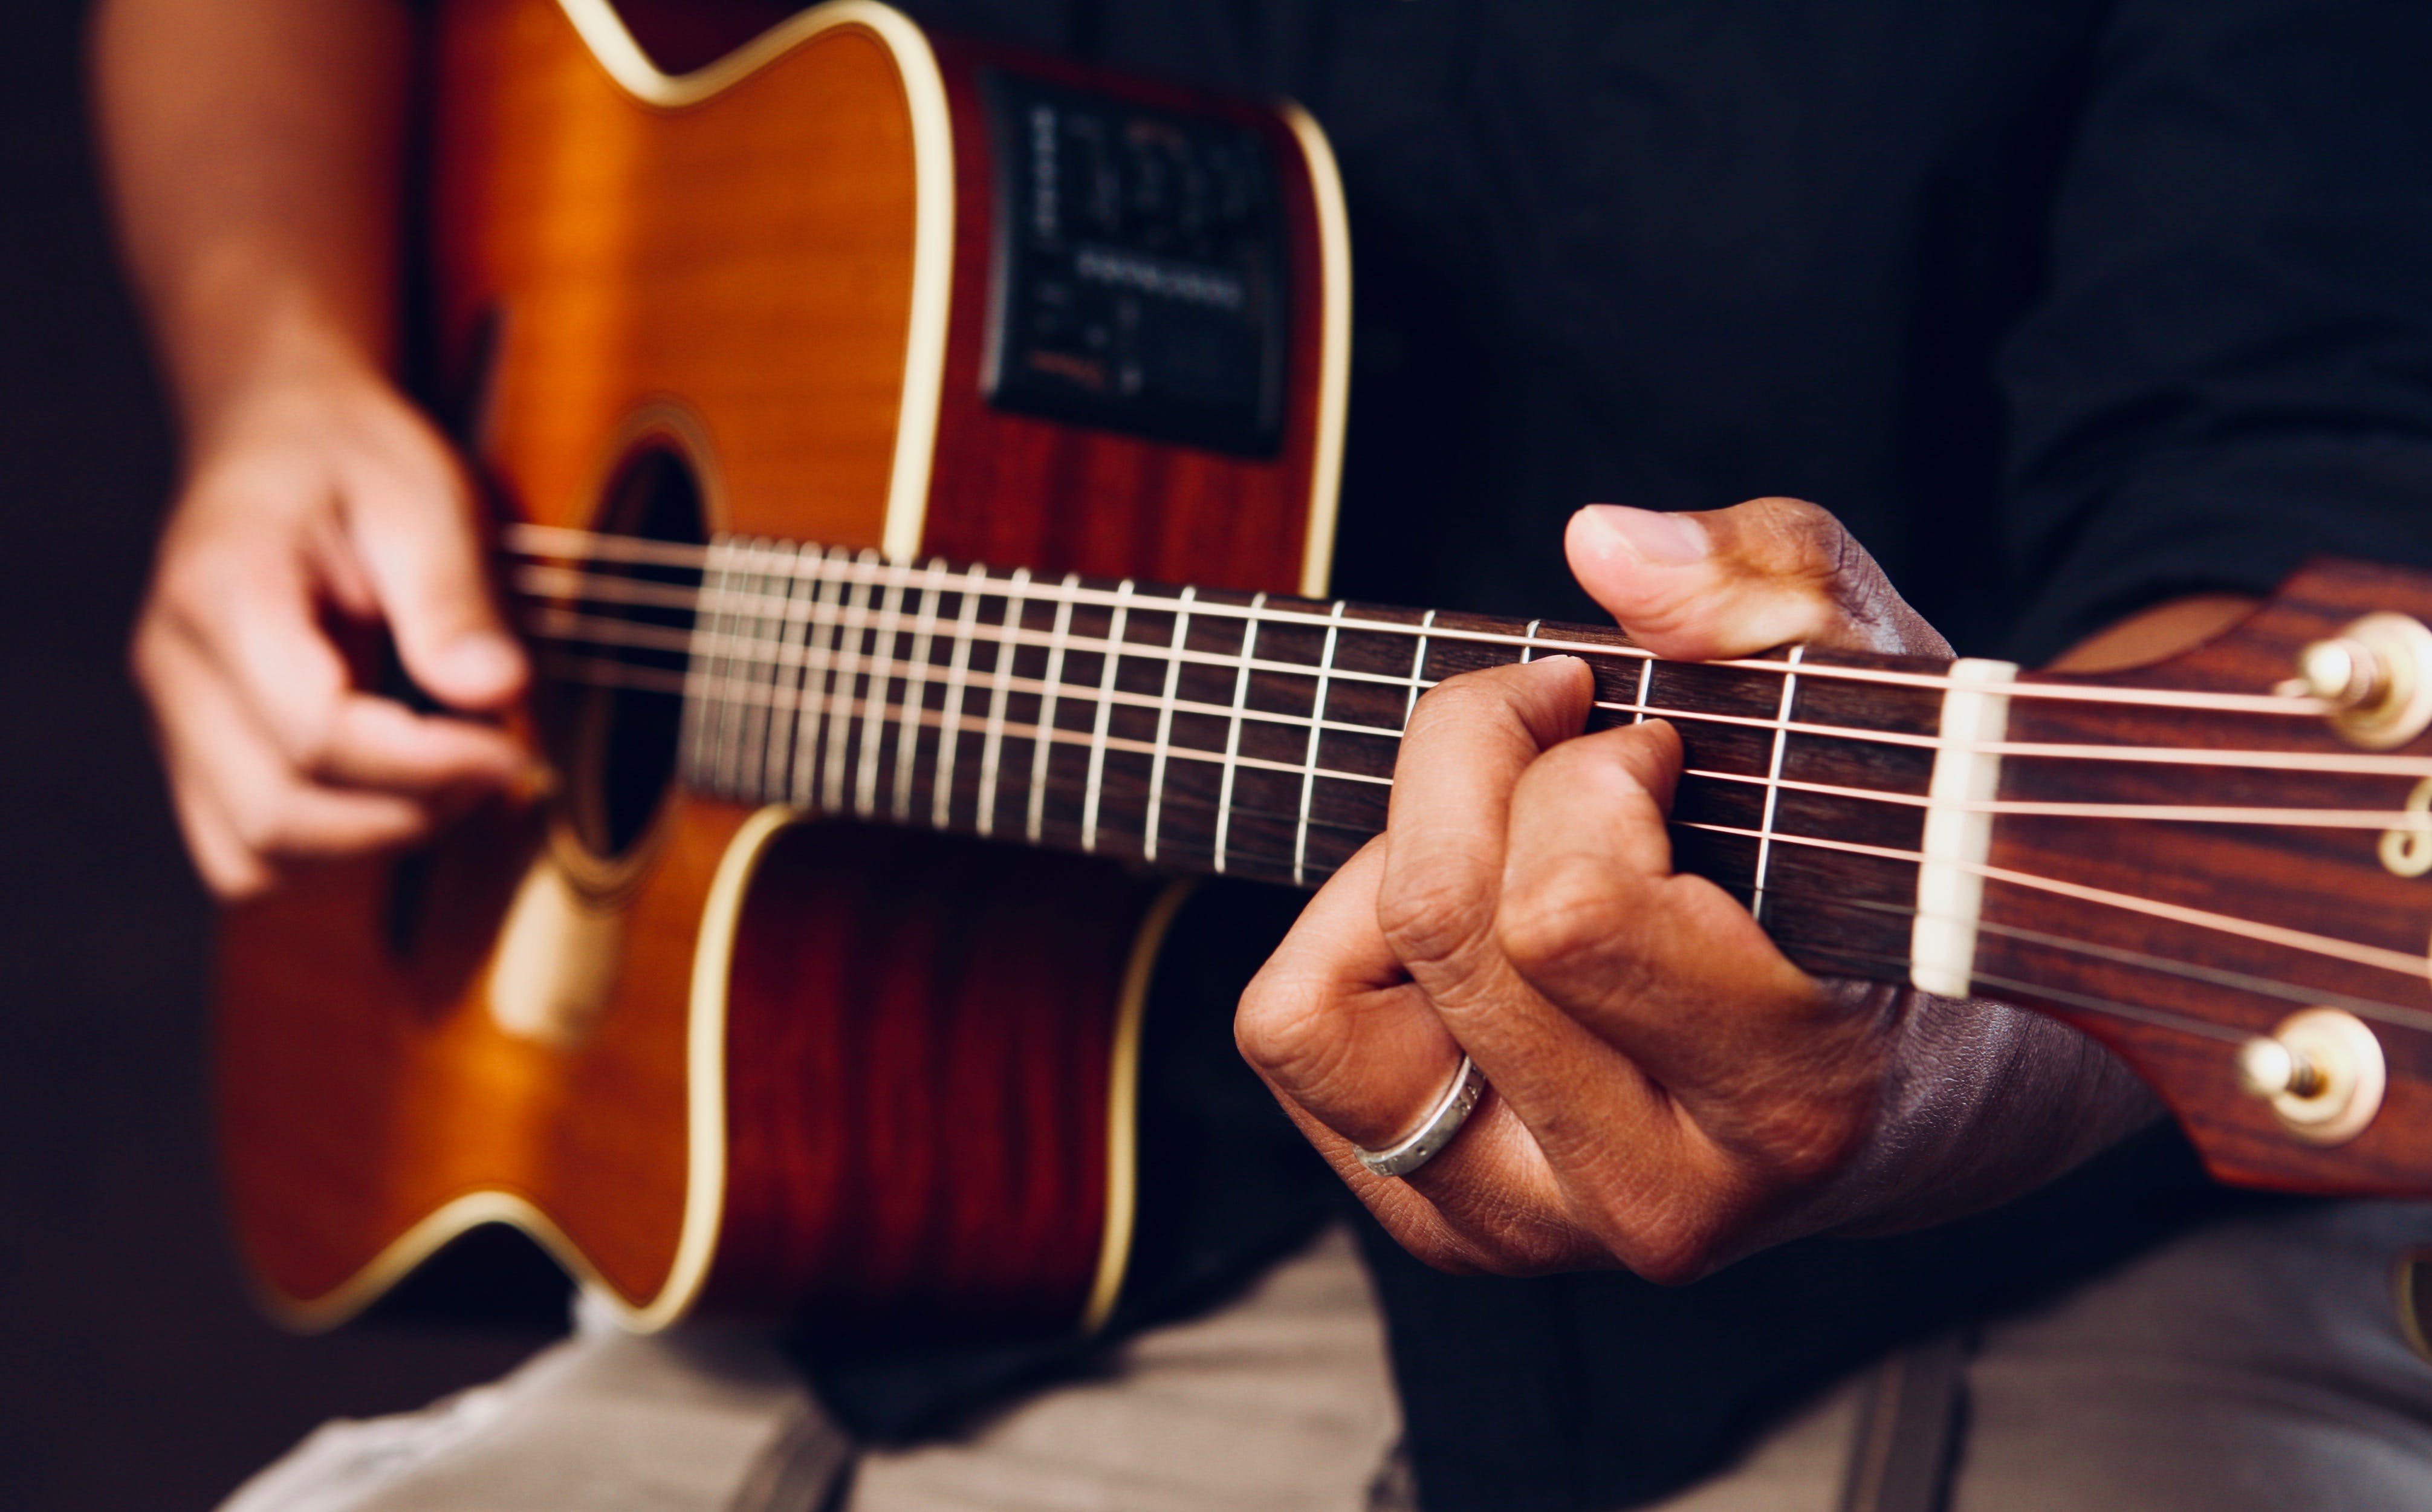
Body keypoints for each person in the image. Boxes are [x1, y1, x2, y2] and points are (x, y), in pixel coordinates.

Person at [94, 0, 2432, 1508]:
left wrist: (1939, 1062)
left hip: (1981, 1272)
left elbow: (2306, 529)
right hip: (871, 1249)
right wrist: (277, 372)